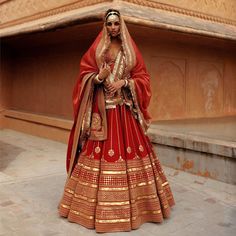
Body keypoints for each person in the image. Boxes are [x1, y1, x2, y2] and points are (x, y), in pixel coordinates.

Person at [58, 9, 175, 233]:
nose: (113, 28)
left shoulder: (130, 50)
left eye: (116, 24)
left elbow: (143, 77)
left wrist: (124, 83)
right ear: (105, 25)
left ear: (121, 25)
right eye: (109, 24)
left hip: (124, 114)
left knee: (134, 156)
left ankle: (141, 209)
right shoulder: (97, 48)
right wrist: (98, 78)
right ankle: (94, 211)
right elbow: (84, 75)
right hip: (103, 114)